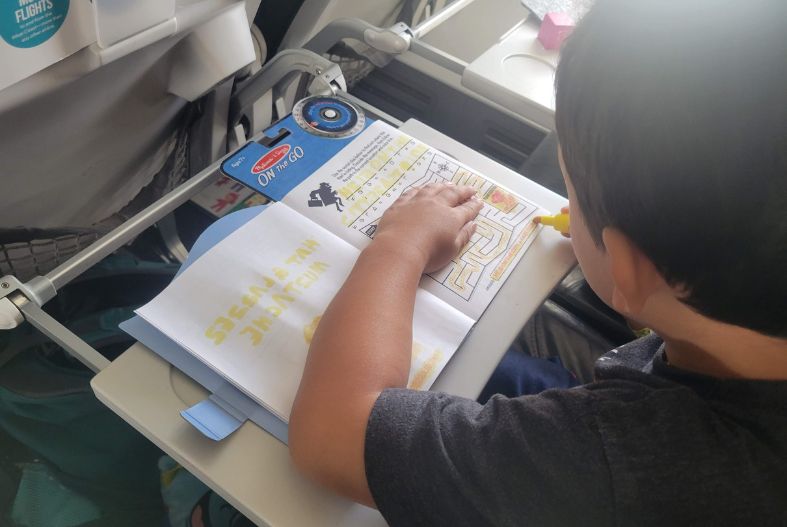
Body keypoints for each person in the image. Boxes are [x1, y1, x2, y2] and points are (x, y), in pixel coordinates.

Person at [288, 0, 787, 524]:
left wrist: (398, 244)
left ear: (630, 269)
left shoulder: (622, 464)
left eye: (570, 190)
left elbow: (331, 433)